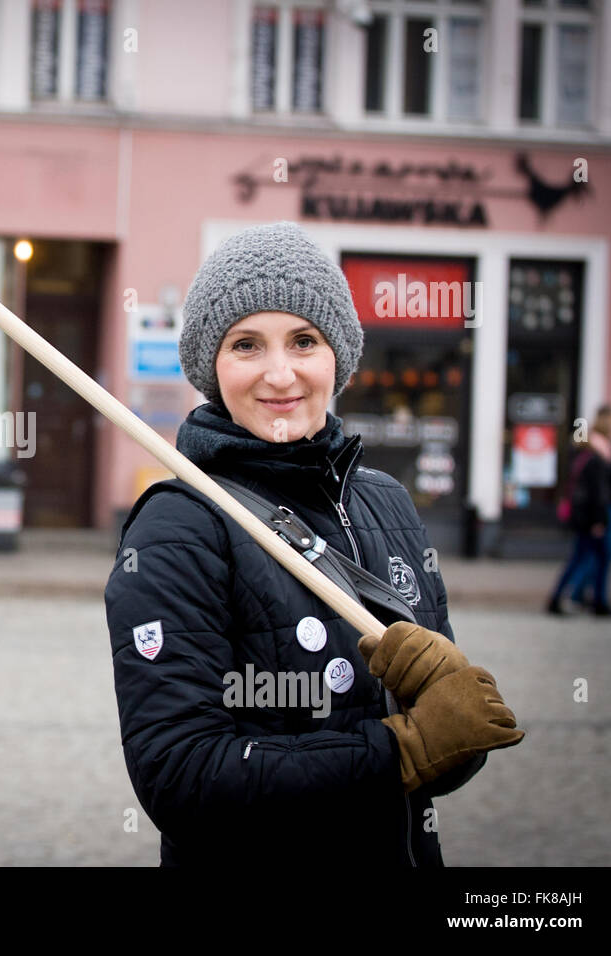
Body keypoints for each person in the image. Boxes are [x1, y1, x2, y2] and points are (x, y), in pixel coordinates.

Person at [104, 221, 523, 867]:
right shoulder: (180, 525)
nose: (280, 374)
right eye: (246, 345)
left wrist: (448, 720)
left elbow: (446, 756)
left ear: (339, 357)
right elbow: (182, 779)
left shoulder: (386, 501)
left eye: (304, 340)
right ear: (212, 367)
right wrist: (400, 750)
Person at [548, 404, 611, 616]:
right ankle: (587, 599)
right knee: (597, 557)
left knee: (582, 557)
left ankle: (566, 597)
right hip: (593, 516)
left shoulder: (581, 457)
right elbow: (599, 492)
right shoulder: (597, 457)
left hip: (581, 516)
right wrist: (599, 520)